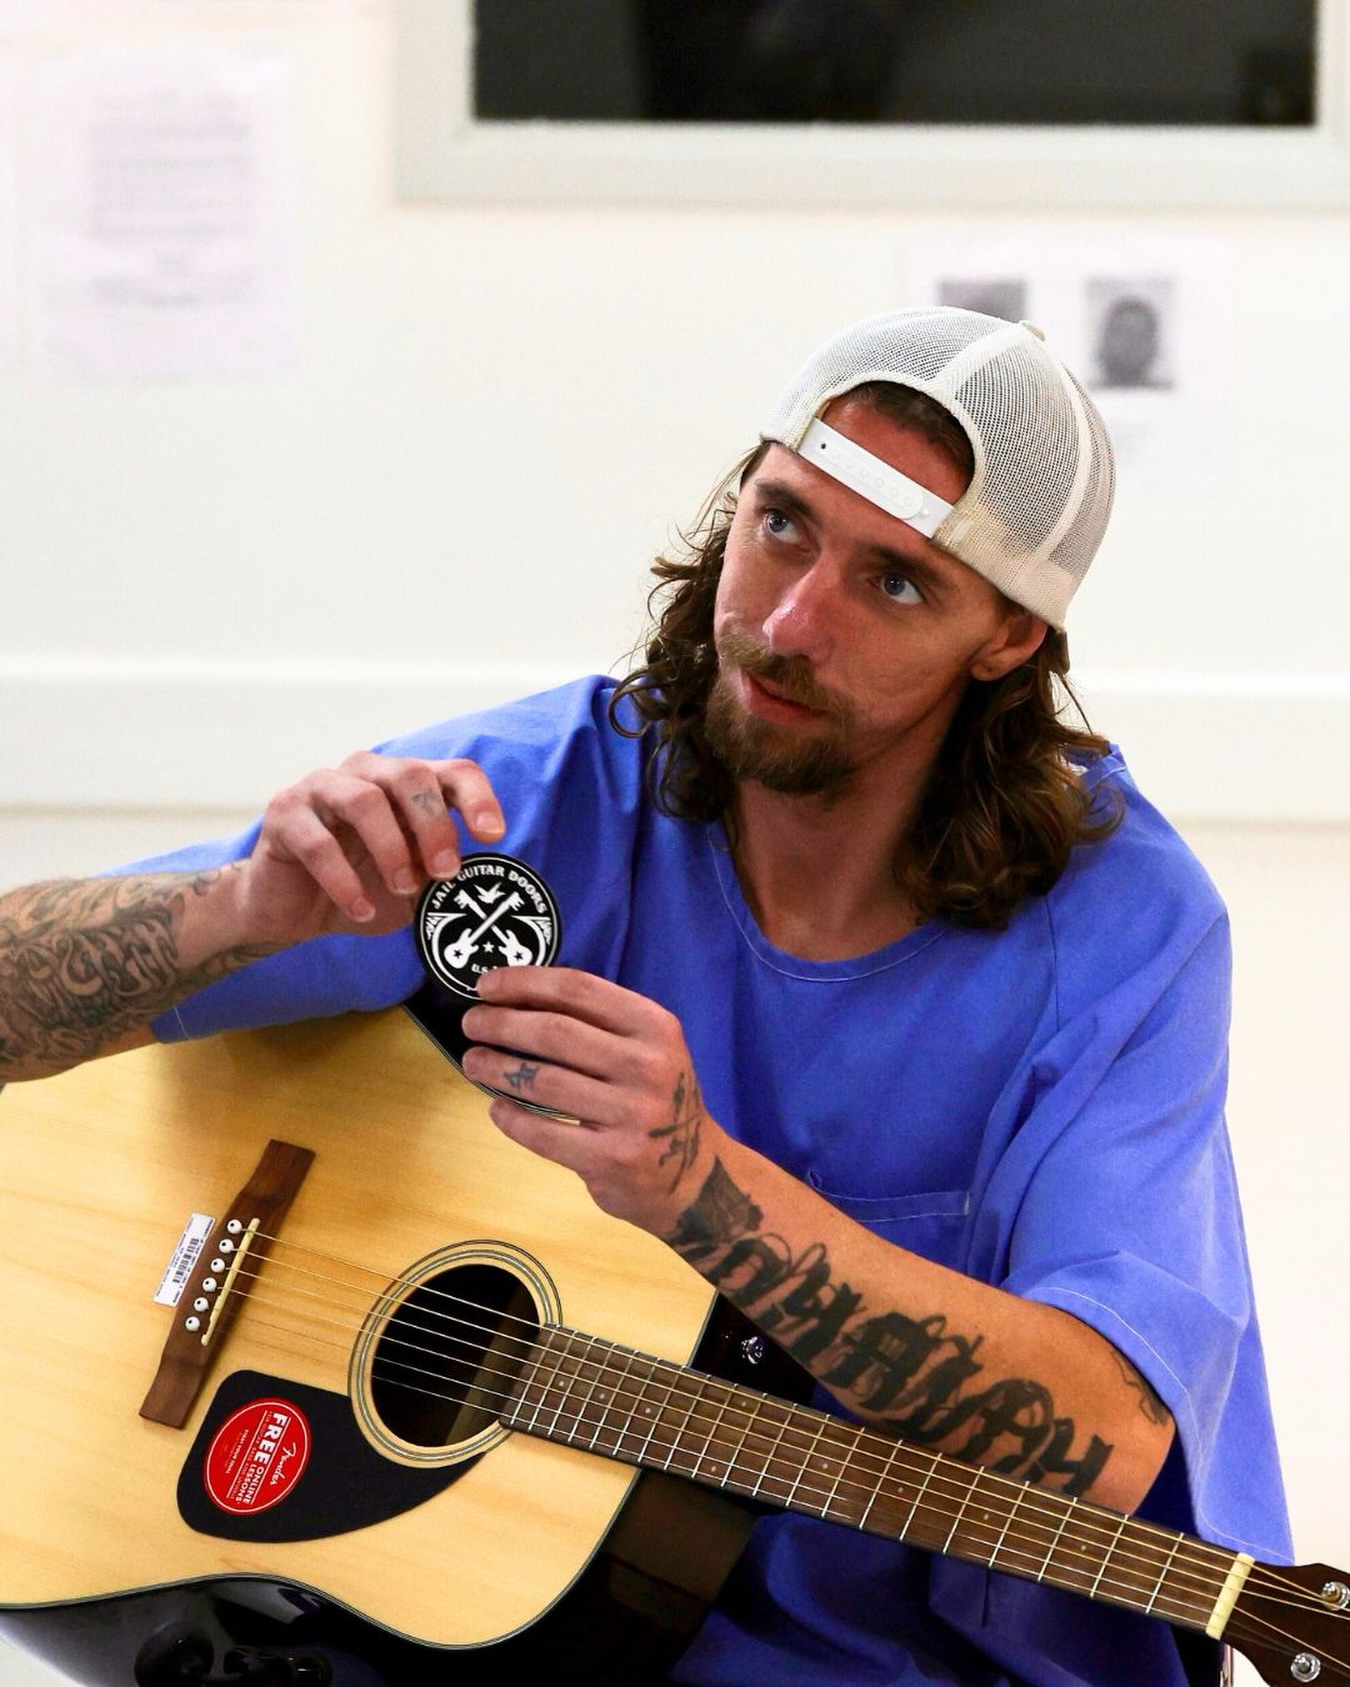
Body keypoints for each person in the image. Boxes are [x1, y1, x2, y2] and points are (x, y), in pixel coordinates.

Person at [0, 307, 1290, 1686]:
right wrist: (233, 911)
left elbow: (1101, 1441)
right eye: (781, 523)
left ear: (1007, 642)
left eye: (895, 584)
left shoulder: (1121, 930)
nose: (788, 624)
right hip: (479, 1625)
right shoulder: (553, 785)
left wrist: (701, 1190)